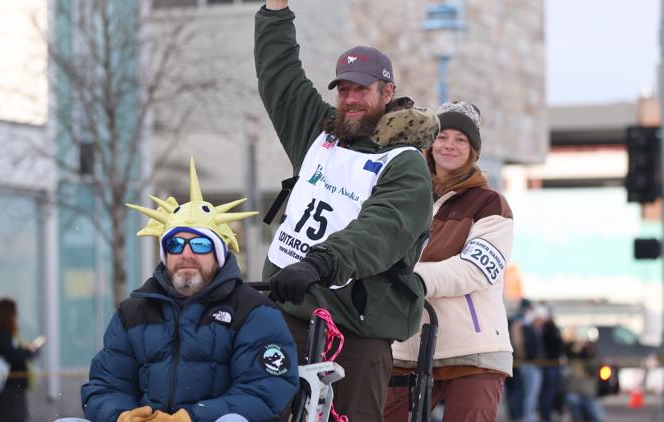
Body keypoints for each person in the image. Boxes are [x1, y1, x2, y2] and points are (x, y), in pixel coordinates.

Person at [255, 2, 438, 420]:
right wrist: (274, 10)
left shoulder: (405, 163)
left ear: (387, 93)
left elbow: (380, 230)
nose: (350, 99)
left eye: (361, 89)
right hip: (293, 308)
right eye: (344, 90)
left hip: (357, 327)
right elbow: (279, 75)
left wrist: (320, 262)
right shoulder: (320, 134)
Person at [81, 158, 299, 422]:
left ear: (218, 254)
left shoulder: (254, 312)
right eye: (175, 245)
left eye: (200, 245)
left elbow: (266, 390)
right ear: (165, 254)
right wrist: (122, 416)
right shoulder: (133, 313)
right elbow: (105, 386)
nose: (186, 254)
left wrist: (193, 417)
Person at [385, 101, 515, 422]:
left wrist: (410, 278)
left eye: (461, 139)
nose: (449, 146)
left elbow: (475, 270)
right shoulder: (406, 197)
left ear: (473, 151)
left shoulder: (491, 204)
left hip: (473, 350)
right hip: (405, 346)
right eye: (443, 137)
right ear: (430, 143)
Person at [0, 297, 41, 422]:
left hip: (9, 386)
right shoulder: (1, 334)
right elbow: (11, 356)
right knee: (15, 417)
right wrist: (28, 351)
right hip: (9, 387)